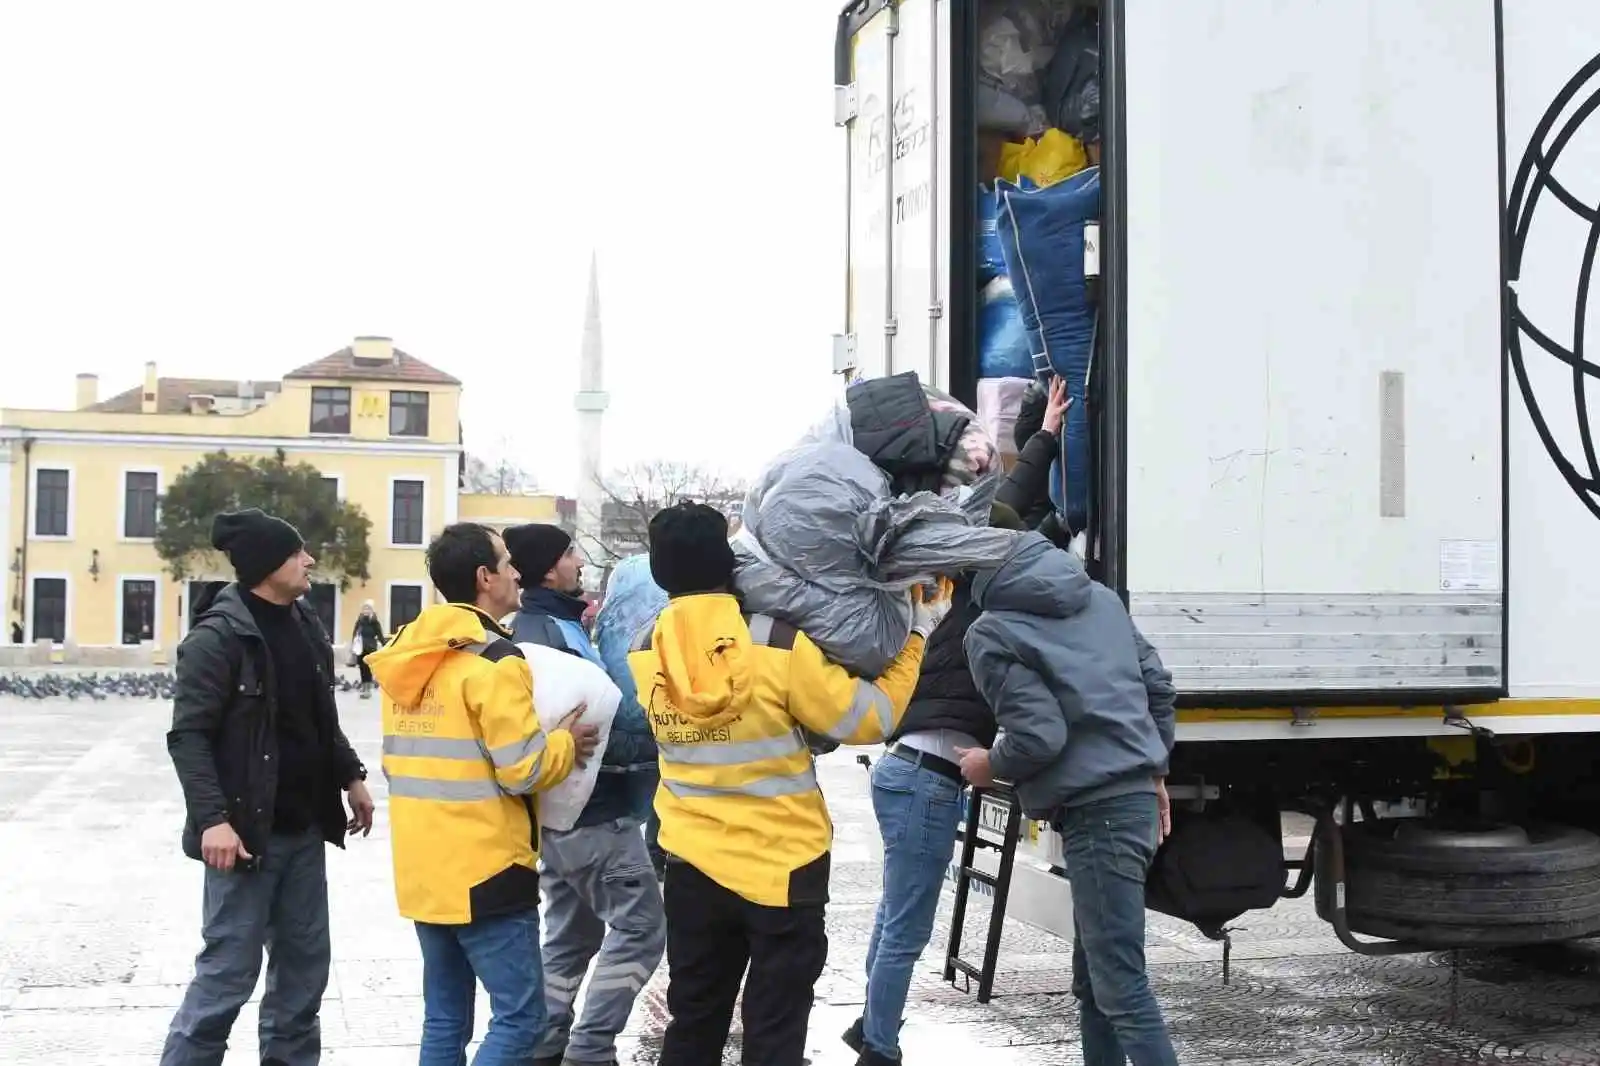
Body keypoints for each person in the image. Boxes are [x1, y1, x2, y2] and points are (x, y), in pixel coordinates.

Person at [628, 502, 954, 1066]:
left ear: (660, 574)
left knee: (694, 1018)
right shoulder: (775, 641)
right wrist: (918, 634)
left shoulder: (645, 648)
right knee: (775, 1029)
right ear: (730, 564)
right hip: (783, 863)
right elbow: (868, 718)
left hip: (690, 864)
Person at [366, 522, 601, 1066]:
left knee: (445, 1019)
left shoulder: (408, 659)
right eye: (506, 562)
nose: (517, 572)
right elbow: (524, 770)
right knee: (522, 1020)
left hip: (425, 868)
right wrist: (564, 742)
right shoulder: (495, 660)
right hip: (488, 869)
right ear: (484, 577)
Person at [161, 508, 376, 1066]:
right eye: (296, 553)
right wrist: (212, 819)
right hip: (245, 837)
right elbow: (188, 737)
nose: (309, 560)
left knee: (303, 980)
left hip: (304, 831)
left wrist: (351, 776)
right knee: (227, 976)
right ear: (265, 565)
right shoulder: (217, 637)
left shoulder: (305, 623)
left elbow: (318, 718)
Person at [957, 531, 1179, 1066]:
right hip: (1129, 803)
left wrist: (988, 765)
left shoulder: (991, 631)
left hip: (1097, 814)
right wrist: (1154, 768)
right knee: (1096, 984)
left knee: (1120, 988)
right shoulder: (1101, 599)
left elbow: (1039, 736)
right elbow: (1159, 690)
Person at [845, 503, 1026, 1066]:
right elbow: (1008, 521)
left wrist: (1042, 440)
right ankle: (880, 1048)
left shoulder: (947, 604)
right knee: (907, 924)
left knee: (893, 911)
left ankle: (870, 1022)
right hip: (926, 779)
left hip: (905, 768)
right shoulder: (985, 613)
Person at [503, 523, 664, 1066]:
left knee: (571, 937)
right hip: (594, 813)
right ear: (550, 568)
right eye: (572, 553)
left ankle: (545, 1044)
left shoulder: (552, 625)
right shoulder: (546, 636)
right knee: (641, 929)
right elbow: (586, 722)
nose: (580, 563)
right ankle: (591, 1049)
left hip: (562, 815)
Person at [349, 600, 386, 699]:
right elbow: (355, 633)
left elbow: (380, 635)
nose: (366, 610)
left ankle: (368, 689)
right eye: (364, 608)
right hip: (360, 649)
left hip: (370, 649)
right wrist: (353, 645)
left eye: (368, 608)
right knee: (362, 668)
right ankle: (364, 687)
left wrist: (386, 646)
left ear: (372, 610)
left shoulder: (374, 621)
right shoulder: (360, 621)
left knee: (368, 669)